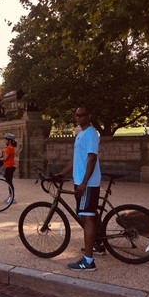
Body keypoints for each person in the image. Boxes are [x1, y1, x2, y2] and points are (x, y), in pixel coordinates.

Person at [57, 105, 102, 271]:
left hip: (87, 183)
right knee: (89, 215)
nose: (79, 118)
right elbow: (76, 159)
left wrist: (84, 182)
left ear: (89, 116)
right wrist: (61, 173)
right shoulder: (80, 134)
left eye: (82, 115)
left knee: (87, 217)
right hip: (81, 181)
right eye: (77, 115)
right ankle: (98, 243)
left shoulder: (90, 133)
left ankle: (88, 261)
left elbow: (91, 159)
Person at [0, 133, 17, 204]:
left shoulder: (10, 148)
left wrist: (0, 159)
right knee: (9, 182)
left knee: (9, 183)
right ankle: (11, 196)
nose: (4, 140)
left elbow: (5, 158)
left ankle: (12, 198)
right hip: (8, 166)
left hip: (10, 166)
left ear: (9, 140)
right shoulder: (8, 148)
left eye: (5, 139)